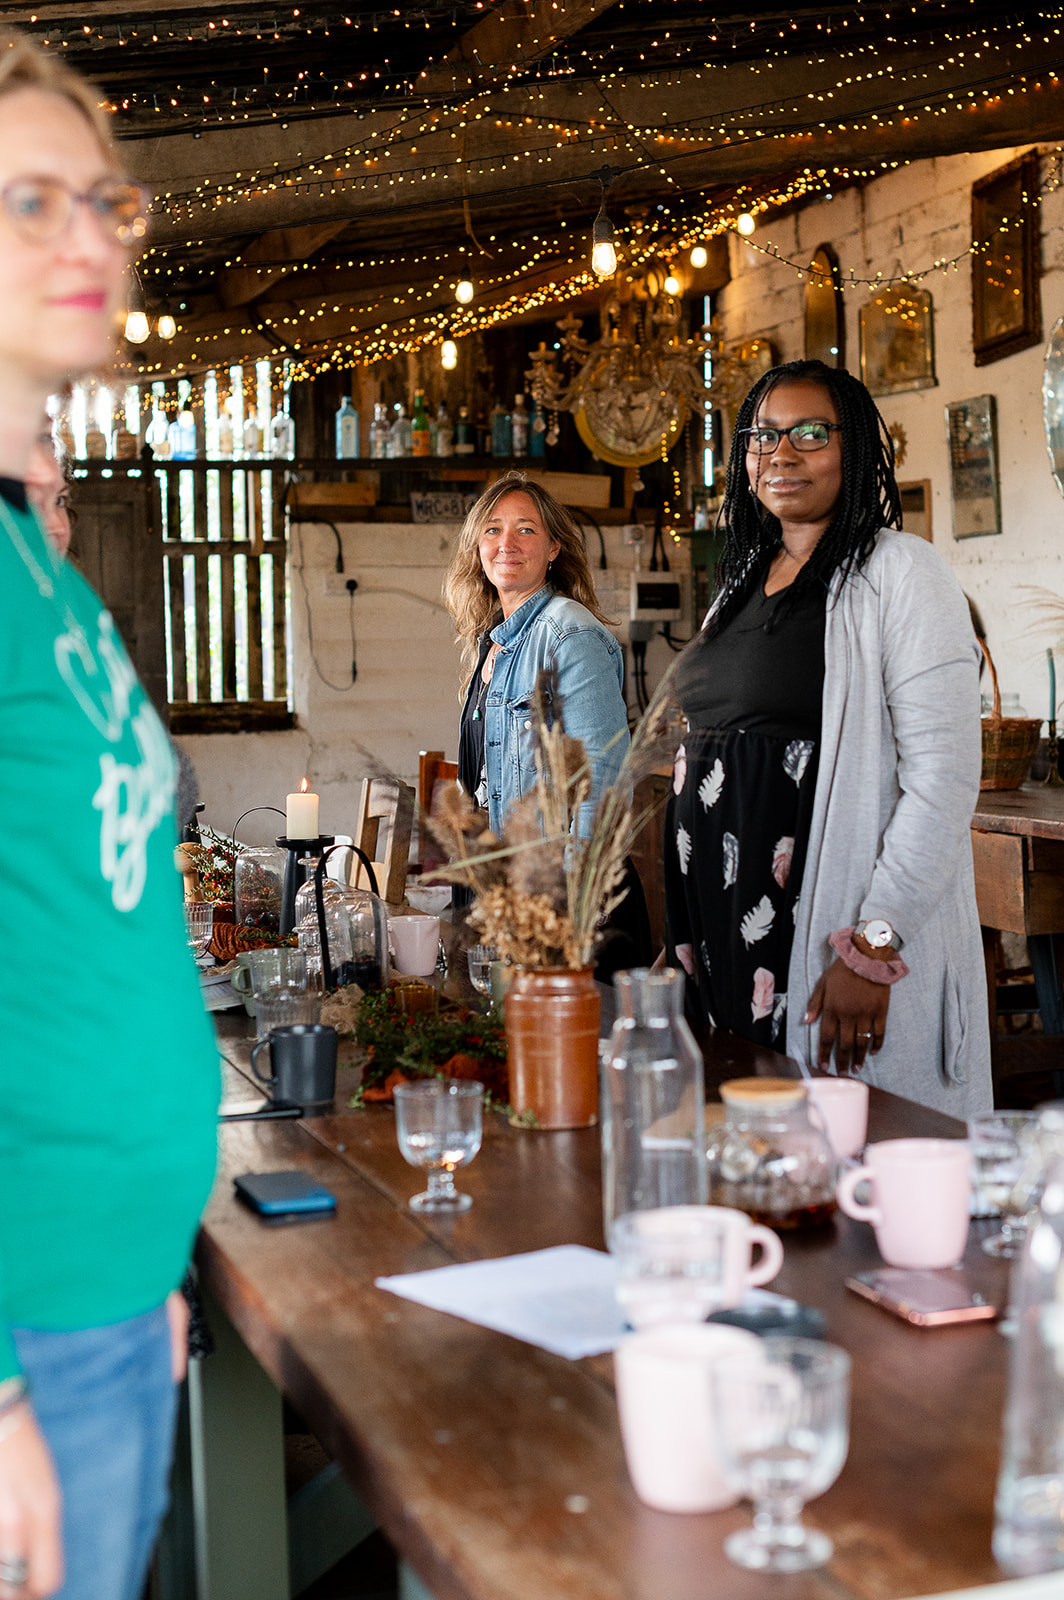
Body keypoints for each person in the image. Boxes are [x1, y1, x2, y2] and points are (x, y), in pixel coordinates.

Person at [0, 31, 218, 1600]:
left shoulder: (39, 568)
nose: (87, 237)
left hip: (100, 1296)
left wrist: (138, 1273)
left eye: (99, 199)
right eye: (26, 203)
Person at [665, 359, 992, 1119]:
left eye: (811, 433)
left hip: (825, 933)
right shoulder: (744, 578)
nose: (782, 453)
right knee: (760, 1163)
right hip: (727, 934)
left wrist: (874, 948)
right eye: (763, 435)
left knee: (857, 1165)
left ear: (856, 450)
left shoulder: (901, 574)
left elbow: (942, 783)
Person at [444, 471, 650, 967]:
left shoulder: (568, 635)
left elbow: (600, 783)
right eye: (492, 529)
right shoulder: (494, 642)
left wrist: (567, 911)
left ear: (554, 547)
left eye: (526, 529)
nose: (506, 543)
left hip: (570, 907)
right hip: (514, 898)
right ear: (476, 546)